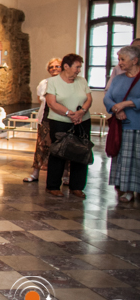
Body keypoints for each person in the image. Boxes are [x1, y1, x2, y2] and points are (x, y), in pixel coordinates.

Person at [44, 53, 92, 199]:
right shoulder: (53, 82)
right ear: (66, 66)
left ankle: (77, 187)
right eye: (77, 67)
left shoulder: (82, 81)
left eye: (80, 67)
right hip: (60, 122)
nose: (79, 70)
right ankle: (53, 186)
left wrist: (81, 112)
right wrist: (69, 113)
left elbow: (88, 99)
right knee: (58, 152)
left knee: (80, 151)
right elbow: (51, 102)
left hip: (82, 121)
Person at [104, 45, 140, 203]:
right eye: (119, 59)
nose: (119, 63)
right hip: (121, 126)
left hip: (137, 126)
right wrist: (116, 109)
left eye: (123, 59)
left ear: (135, 60)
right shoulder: (118, 79)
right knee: (125, 161)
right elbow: (108, 98)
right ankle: (127, 190)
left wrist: (125, 104)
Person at [24, 58, 62, 183]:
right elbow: (41, 100)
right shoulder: (44, 83)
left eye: (57, 66)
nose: (54, 69)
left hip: (62, 118)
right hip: (45, 118)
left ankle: (65, 174)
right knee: (42, 145)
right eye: (51, 67)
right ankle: (35, 172)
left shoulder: (66, 83)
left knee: (62, 145)